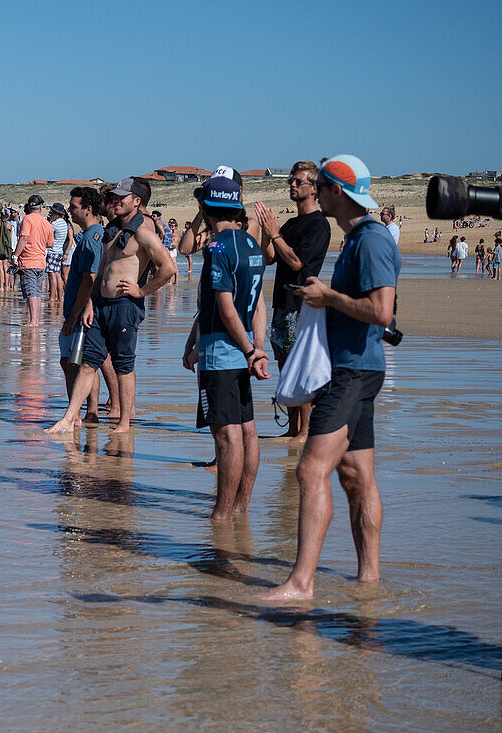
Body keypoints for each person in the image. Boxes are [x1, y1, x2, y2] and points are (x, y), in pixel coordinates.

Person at [262, 154, 401, 601]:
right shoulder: (357, 238)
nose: (315, 192)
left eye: (319, 186)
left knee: (309, 469)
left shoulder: (372, 240)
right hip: (356, 368)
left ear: (336, 192)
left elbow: (382, 311)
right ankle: (369, 579)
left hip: (354, 371)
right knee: (356, 475)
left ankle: (301, 583)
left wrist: (327, 296)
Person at [46, 177, 177, 434]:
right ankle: (69, 418)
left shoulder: (142, 231)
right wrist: (90, 304)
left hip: (125, 306)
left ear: (136, 202)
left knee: (123, 366)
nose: (116, 201)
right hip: (100, 305)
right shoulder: (110, 231)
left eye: (122, 198)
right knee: (88, 363)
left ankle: (125, 422)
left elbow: (169, 268)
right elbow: (103, 270)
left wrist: (141, 291)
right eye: (114, 197)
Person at [182, 176, 270, 520]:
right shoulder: (251, 246)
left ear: (205, 207)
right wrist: (256, 347)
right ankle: (240, 508)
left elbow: (223, 305)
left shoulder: (218, 247)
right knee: (247, 430)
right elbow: (259, 304)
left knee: (226, 436)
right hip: (242, 348)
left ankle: (221, 514)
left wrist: (248, 350)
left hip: (222, 352)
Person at [254, 160, 332, 442]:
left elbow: (297, 262)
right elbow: (270, 258)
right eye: (291, 181)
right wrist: (267, 232)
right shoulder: (290, 223)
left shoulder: (319, 224)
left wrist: (275, 233)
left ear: (314, 189)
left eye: (299, 182)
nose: (293, 185)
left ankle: (306, 430)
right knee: (286, 367)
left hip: (302, 305)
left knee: (301, 368)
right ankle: (292, 428)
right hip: (282, 303)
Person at [59, 186, 116, 424]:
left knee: (74, 363)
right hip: (78, 309)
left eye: (73, 207)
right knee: (84, 361)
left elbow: (90, 279)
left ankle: (79, 414)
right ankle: (89, 411)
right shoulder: (88, 235)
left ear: (88, 209)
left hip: (80, 312)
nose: (70, 210)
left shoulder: (92, 237)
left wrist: (75, 314)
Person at [10, 194, 51, 326]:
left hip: (29, 260)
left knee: (32, 292)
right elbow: (50, 244)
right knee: (37, 292)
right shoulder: (46, 222)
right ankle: (36, 320)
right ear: (41, 206)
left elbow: (24, 238)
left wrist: (15, 255)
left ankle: (33, 321)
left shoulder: (27, 219)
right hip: (40, 261)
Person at [45, 203, 69, 304]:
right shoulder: (64, 223)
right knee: (58, 275)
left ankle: (52, 297)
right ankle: (60, 297)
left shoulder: (54, 225)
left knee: (52, 275)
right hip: (59, 251)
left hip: (52, 252)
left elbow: (47, 236)